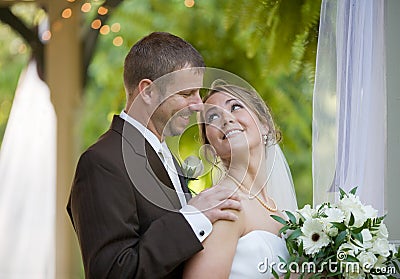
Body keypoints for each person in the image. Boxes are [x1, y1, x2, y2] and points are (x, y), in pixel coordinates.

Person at [67, 32, 242, 279]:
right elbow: (111, 272)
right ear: (147, 91)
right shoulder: (101, 162)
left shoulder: (165, 155)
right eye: (186, 94)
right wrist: (192, 218)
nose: (198, 105)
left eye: (198, 93)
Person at [183, 80, 298, 278]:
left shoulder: (282, 212)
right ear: (211, 150)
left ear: (264, 125)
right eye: (212, 117)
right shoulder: (224, 206)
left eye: (235, 107)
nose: (226, 119)